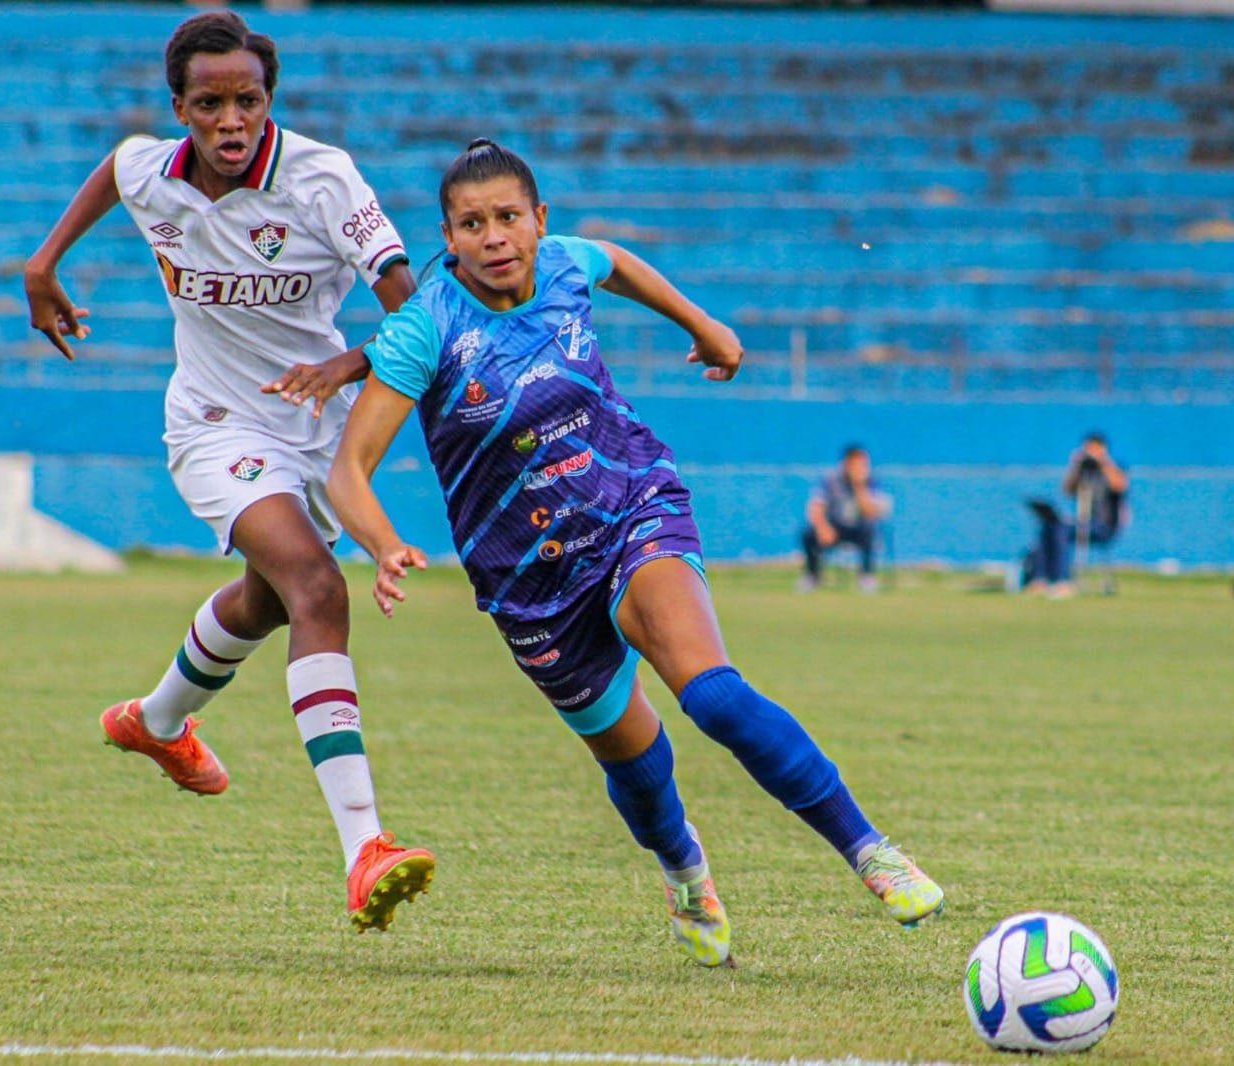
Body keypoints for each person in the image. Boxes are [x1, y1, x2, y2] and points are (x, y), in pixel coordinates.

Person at [327, 140, 943, 968]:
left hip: (630, 510)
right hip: (527, 581)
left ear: (539, 221)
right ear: (448, 236)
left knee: (715, 696)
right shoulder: (425, 329)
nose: (495, 236)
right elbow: (349, 471)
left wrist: (705, 325)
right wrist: (383, 542)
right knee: (639, 765)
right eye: (472, 224)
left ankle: (870, 851)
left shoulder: (564, 267)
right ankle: (685, 869)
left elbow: (614, 261)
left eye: (510, 217)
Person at [21, 10, 434, 933]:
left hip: (314, 420)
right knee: (317, 587)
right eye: (210, 103)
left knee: (267, 600)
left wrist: (347, 365)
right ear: (183, 109)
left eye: (247, 99)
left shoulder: (324, 179)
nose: (231, 118)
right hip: (211, 421)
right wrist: (43, 265)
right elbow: (113, 173)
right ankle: (365, 848)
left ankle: (154, 721)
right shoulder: (148, 169)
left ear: (268, 101)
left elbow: (417, 311)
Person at [1023, 431, 1129, 597]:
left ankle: (1063, 581)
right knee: (1049, 527)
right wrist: (1076, 465)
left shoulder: (1114, 469)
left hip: (1104, 525)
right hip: (1084, 522)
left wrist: (1103, 461)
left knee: (1061, 530)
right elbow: (1067, 489)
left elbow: (1119, 485)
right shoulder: (1084, 472)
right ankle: (1039, 579)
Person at [799, 443, 891, 592]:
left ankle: (866, 576)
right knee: (808, 534)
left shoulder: (872, 481)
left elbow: (871, 512)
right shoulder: (831, 480)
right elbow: (816, 506)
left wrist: (859, 486)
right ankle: (812, 576)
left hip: (859, 528)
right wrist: (823, 527)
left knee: (870, 529)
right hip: (835, 526)